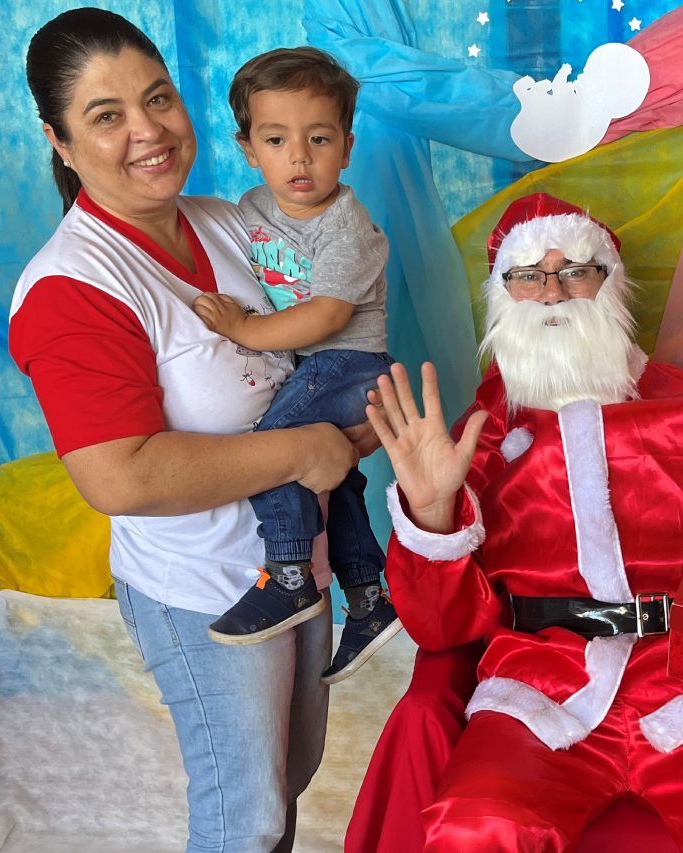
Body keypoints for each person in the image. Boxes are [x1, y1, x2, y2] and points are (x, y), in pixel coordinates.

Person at [363, 193, 683, 851]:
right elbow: (440, 626)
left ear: (610, 284)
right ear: (503, 295)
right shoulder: (477, 438)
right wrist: (431, 514)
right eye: (529, 275)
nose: (553, 291)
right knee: (477, 824)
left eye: (576, 270)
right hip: (540, 688)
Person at [12, 9, 373, 850]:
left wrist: (361, 422)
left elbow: (307, 348)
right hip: (204, 588)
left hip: (295, 563)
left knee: (285, 786)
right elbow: (120, 477)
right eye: (107, 117)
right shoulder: (74, 286)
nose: (148, 132)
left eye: (159, 98)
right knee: (243, 817)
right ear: (59, 141)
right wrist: (307, 450)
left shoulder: (225, 219)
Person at [193, 47, 401, 685]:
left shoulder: (348, 226)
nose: (300, 158)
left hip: (348, 362)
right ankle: (367, 596)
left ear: (346, 145)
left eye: (319, 138)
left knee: (274, 450)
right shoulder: (251, 208)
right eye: (277, 140)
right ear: (250, 148)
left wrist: (245, 330)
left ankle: (288, 575)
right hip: (314, 367)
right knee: (333, 481)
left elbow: (328, 314)